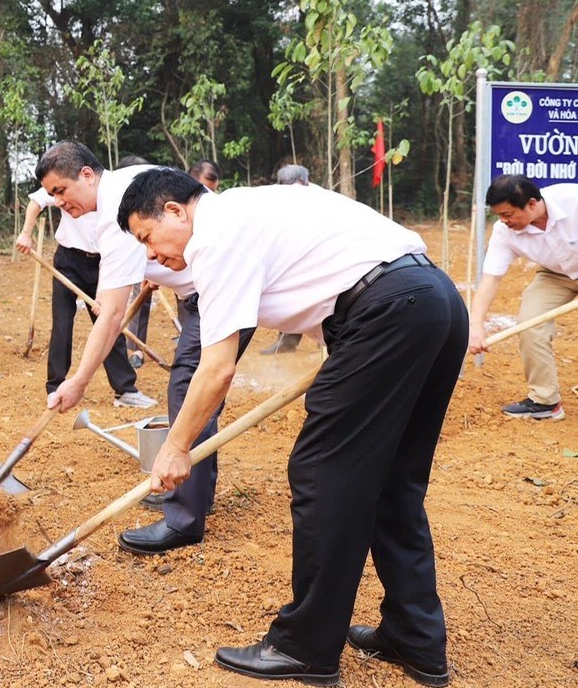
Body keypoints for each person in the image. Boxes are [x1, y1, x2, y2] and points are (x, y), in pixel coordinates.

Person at [118, 167, 464, 687]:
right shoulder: (251, 210)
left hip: (389, 310)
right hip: (432, 299)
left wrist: (175, 447)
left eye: (146, 237)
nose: (150, 254)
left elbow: (216, 367)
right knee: (394, 482)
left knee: (324, 475)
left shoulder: (216, 233)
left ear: (174, 210)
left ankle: (306, 647)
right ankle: (415, 637)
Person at [36, 143, 252, 553]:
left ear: (86, 174)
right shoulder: (129, 186)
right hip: (202, 290)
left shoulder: (117, 213)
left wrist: (79, 380)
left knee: (188, 389)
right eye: (52, 196)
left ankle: (184, 519)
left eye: (61, 190)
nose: (59, 202)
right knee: (192, 392)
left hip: (215, 292)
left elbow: (112, 314)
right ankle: (192, 492)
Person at [16, 169, 153, 409]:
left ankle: (124, 389)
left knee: (109, 322)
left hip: (103, 262)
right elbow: (36, 201)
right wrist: (26, 233)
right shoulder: (66, 190)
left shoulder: (113, 197)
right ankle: (56, 387)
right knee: (62, 324)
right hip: (69, 261)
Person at [468, 174, 577, 421]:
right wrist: (476, 326)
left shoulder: (573, 200)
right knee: (531, 323)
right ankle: (545, 401)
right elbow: (490, 280)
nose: (503, 221)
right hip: (555, 275)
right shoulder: (504, 232)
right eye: (499, 216)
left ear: (531, 204)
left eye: (507, 215)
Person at [261, 164, 311, 355]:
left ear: (306, 183)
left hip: (317, 260)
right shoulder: (276, 205)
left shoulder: (319, 201)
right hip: (290, 261)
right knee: (291, 297)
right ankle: (287, 342)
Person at [116, 155, 155, 369]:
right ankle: (135, 349)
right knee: (138, 298)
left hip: (160, 257)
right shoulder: (116, 205)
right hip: (132, 260)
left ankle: (191, 340)